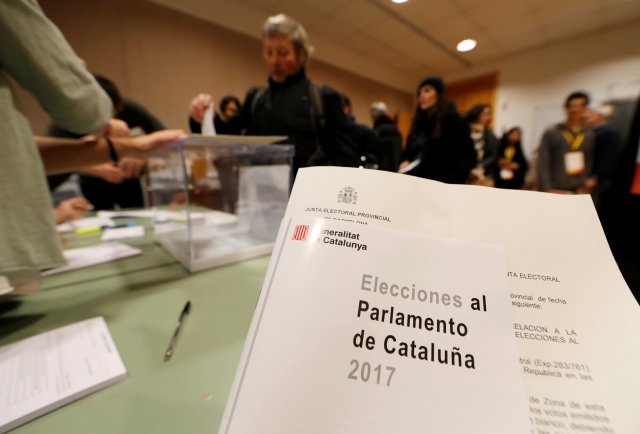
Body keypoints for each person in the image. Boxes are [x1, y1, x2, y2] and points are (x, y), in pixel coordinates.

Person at [0, 0, 184, 292]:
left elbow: (19, 153)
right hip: (92, 209)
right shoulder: (68, 125)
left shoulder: (134, 113)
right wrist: (98, 156)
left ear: (120, 109)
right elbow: (79, 108)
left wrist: (135, 153)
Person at [188, 13, 359, 175]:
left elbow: (345, 157)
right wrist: (204, 116)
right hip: (259, 195)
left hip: (306, 198)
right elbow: (224, 136)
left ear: (301, 54)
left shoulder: (323, 97)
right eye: (269, 52)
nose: (274, 61)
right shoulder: (256, 99)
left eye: (283, 53)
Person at [48, 74, 166, 210]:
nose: (104, 124)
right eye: (94, 117)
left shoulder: (130, 109)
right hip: (91, 186)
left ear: (119, 107)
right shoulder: (65, 121)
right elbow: (48, 161)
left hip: (130, 183)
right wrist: (87, 165)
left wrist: (144, 157)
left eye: (108, 115)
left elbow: (165, 140)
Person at [399, 76, 475, 184]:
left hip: (442, 186)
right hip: (414, 182)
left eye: (427, 90)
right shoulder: (417, 124)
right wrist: (404, 161)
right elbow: (408, 151)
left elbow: (469, 157)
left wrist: (449, 182)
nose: (422, 96)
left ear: (438, 94)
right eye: (419, 93)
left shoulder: (454, 122)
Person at [536, 91, 596, 194]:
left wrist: (588, 180)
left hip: (579, 187)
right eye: (571, 106)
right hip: (555, 187)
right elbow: (543, 161)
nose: (575, 110)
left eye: (580, 106)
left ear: (585, 109)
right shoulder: (552, 131)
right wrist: (546, 187)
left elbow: (590, 160)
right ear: (565, 108)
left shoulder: (589, 134)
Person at [585, 103, 623, 208]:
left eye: (590, 115)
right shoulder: (591, 132)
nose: (587, 119)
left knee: (592, 205)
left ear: (599, 116)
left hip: (598, 179)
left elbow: (608, 158)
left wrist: (595, 177)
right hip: (587, 176)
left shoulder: (608, 133)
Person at [466, 103, 498, 186]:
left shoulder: (490, 135)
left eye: (489, 114)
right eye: (485, 114)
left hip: (484, 176)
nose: (488, 117)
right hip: (464, 176)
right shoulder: (464, 131)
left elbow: (493, 155)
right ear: (476, 114)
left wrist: (480, 167)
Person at [370, 101, 403, 172]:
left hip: (381, 173)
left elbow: (373, 156)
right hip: (396, 171)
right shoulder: (397, 130)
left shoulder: (377, 131)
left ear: (374, 116)